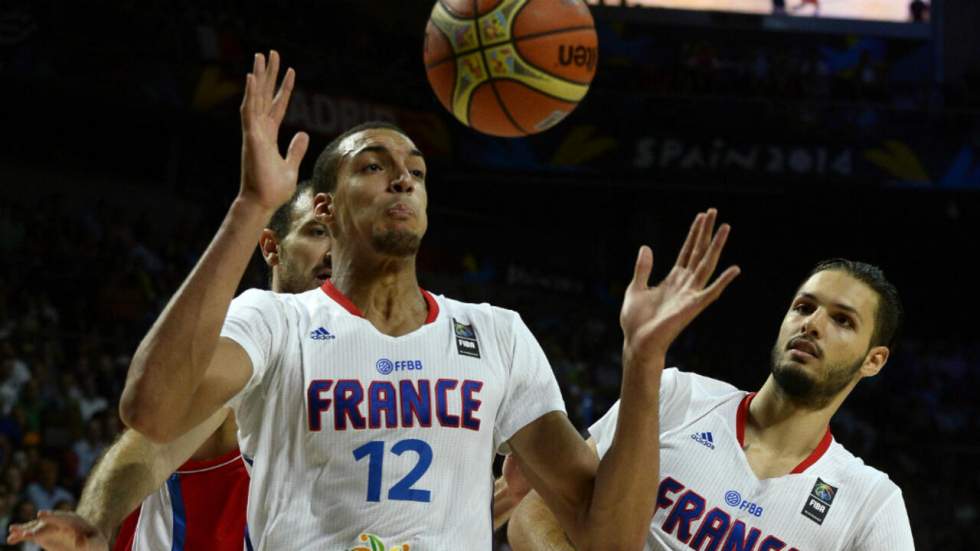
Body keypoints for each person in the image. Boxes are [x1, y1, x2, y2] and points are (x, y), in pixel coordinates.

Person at [103, 50, 736, 549]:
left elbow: (609, 537)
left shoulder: (496, 334)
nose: (402, 176)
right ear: (326, 205)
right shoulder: (276, 319)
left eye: (415, 170)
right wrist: (250, 208)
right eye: (372, 166)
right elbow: (151, 413)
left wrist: (643, 360)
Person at [6, 181, 331, 550]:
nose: (333, 252)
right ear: (272, 247)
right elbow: (148, 449)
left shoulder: (348, 367)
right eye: (318, 232)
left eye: (344, 239)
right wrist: (97, 520)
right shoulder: (243, 348)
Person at [508, 259, 915, 550]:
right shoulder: (676, 395)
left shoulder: (871, 502)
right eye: (804, 307)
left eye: (842, 320)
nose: (812, 324)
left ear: (874, 360)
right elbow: (537, 513)